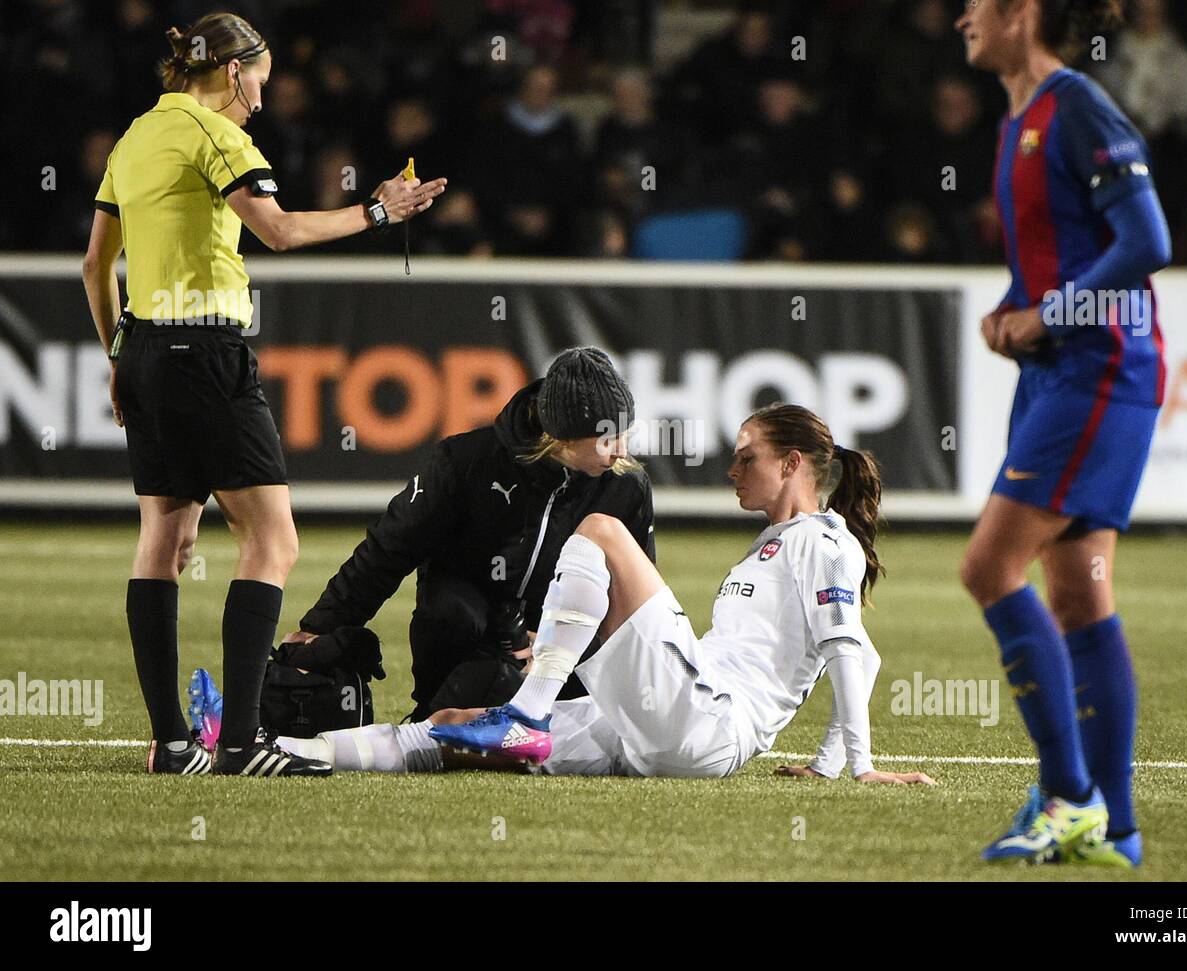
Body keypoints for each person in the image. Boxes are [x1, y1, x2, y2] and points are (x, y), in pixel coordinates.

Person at [81, 12, 447, 777]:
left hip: (143, 347)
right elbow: (276, 231)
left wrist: (119, 351)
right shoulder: (219, 137)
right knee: (273, 542)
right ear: (236, 70)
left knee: (166, 541)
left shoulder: (136, 136)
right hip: (205, 350)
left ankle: (173, 743)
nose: (260, 99)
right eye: (262, 81)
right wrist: (378, 210)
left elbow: (94, 266)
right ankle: (243, 742)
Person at [266, 405, 936, 788]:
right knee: (452, 728)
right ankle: (280, 750)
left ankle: (526, 711)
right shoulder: (774, 544)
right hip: (658, 726)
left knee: (603, 531)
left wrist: (860, 766)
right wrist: (822, 763)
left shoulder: (822, 537)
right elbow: (852, 654)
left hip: (708, 725)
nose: (732, 470)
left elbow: (846, 647)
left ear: (793, 465)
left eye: (747, 456)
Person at [953, 0, 1172, 865]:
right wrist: (1021, 307)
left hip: (1099, 372)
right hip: (1059, 374)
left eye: (980, 2)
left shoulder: (1076, 106)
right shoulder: (1019, 119)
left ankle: (1069, 795)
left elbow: (1147, 239)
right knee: (1078, 591)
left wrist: (1049, 312)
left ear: (1025, 11)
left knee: (987, 565)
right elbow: (1064, 254)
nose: (964, 14)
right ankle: (1115, 828)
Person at [286, 347, 656, 724]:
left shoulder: (626, 487)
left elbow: (634, 600)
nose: (620, 452)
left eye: (624, 434)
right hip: (472, 632)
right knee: (452, 613)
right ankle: (435, 709)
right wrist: (319, 628)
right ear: (560, 435)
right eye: (606, 439)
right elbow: (389, 548)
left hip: (563, 644)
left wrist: (555, 643)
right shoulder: (466, 463)